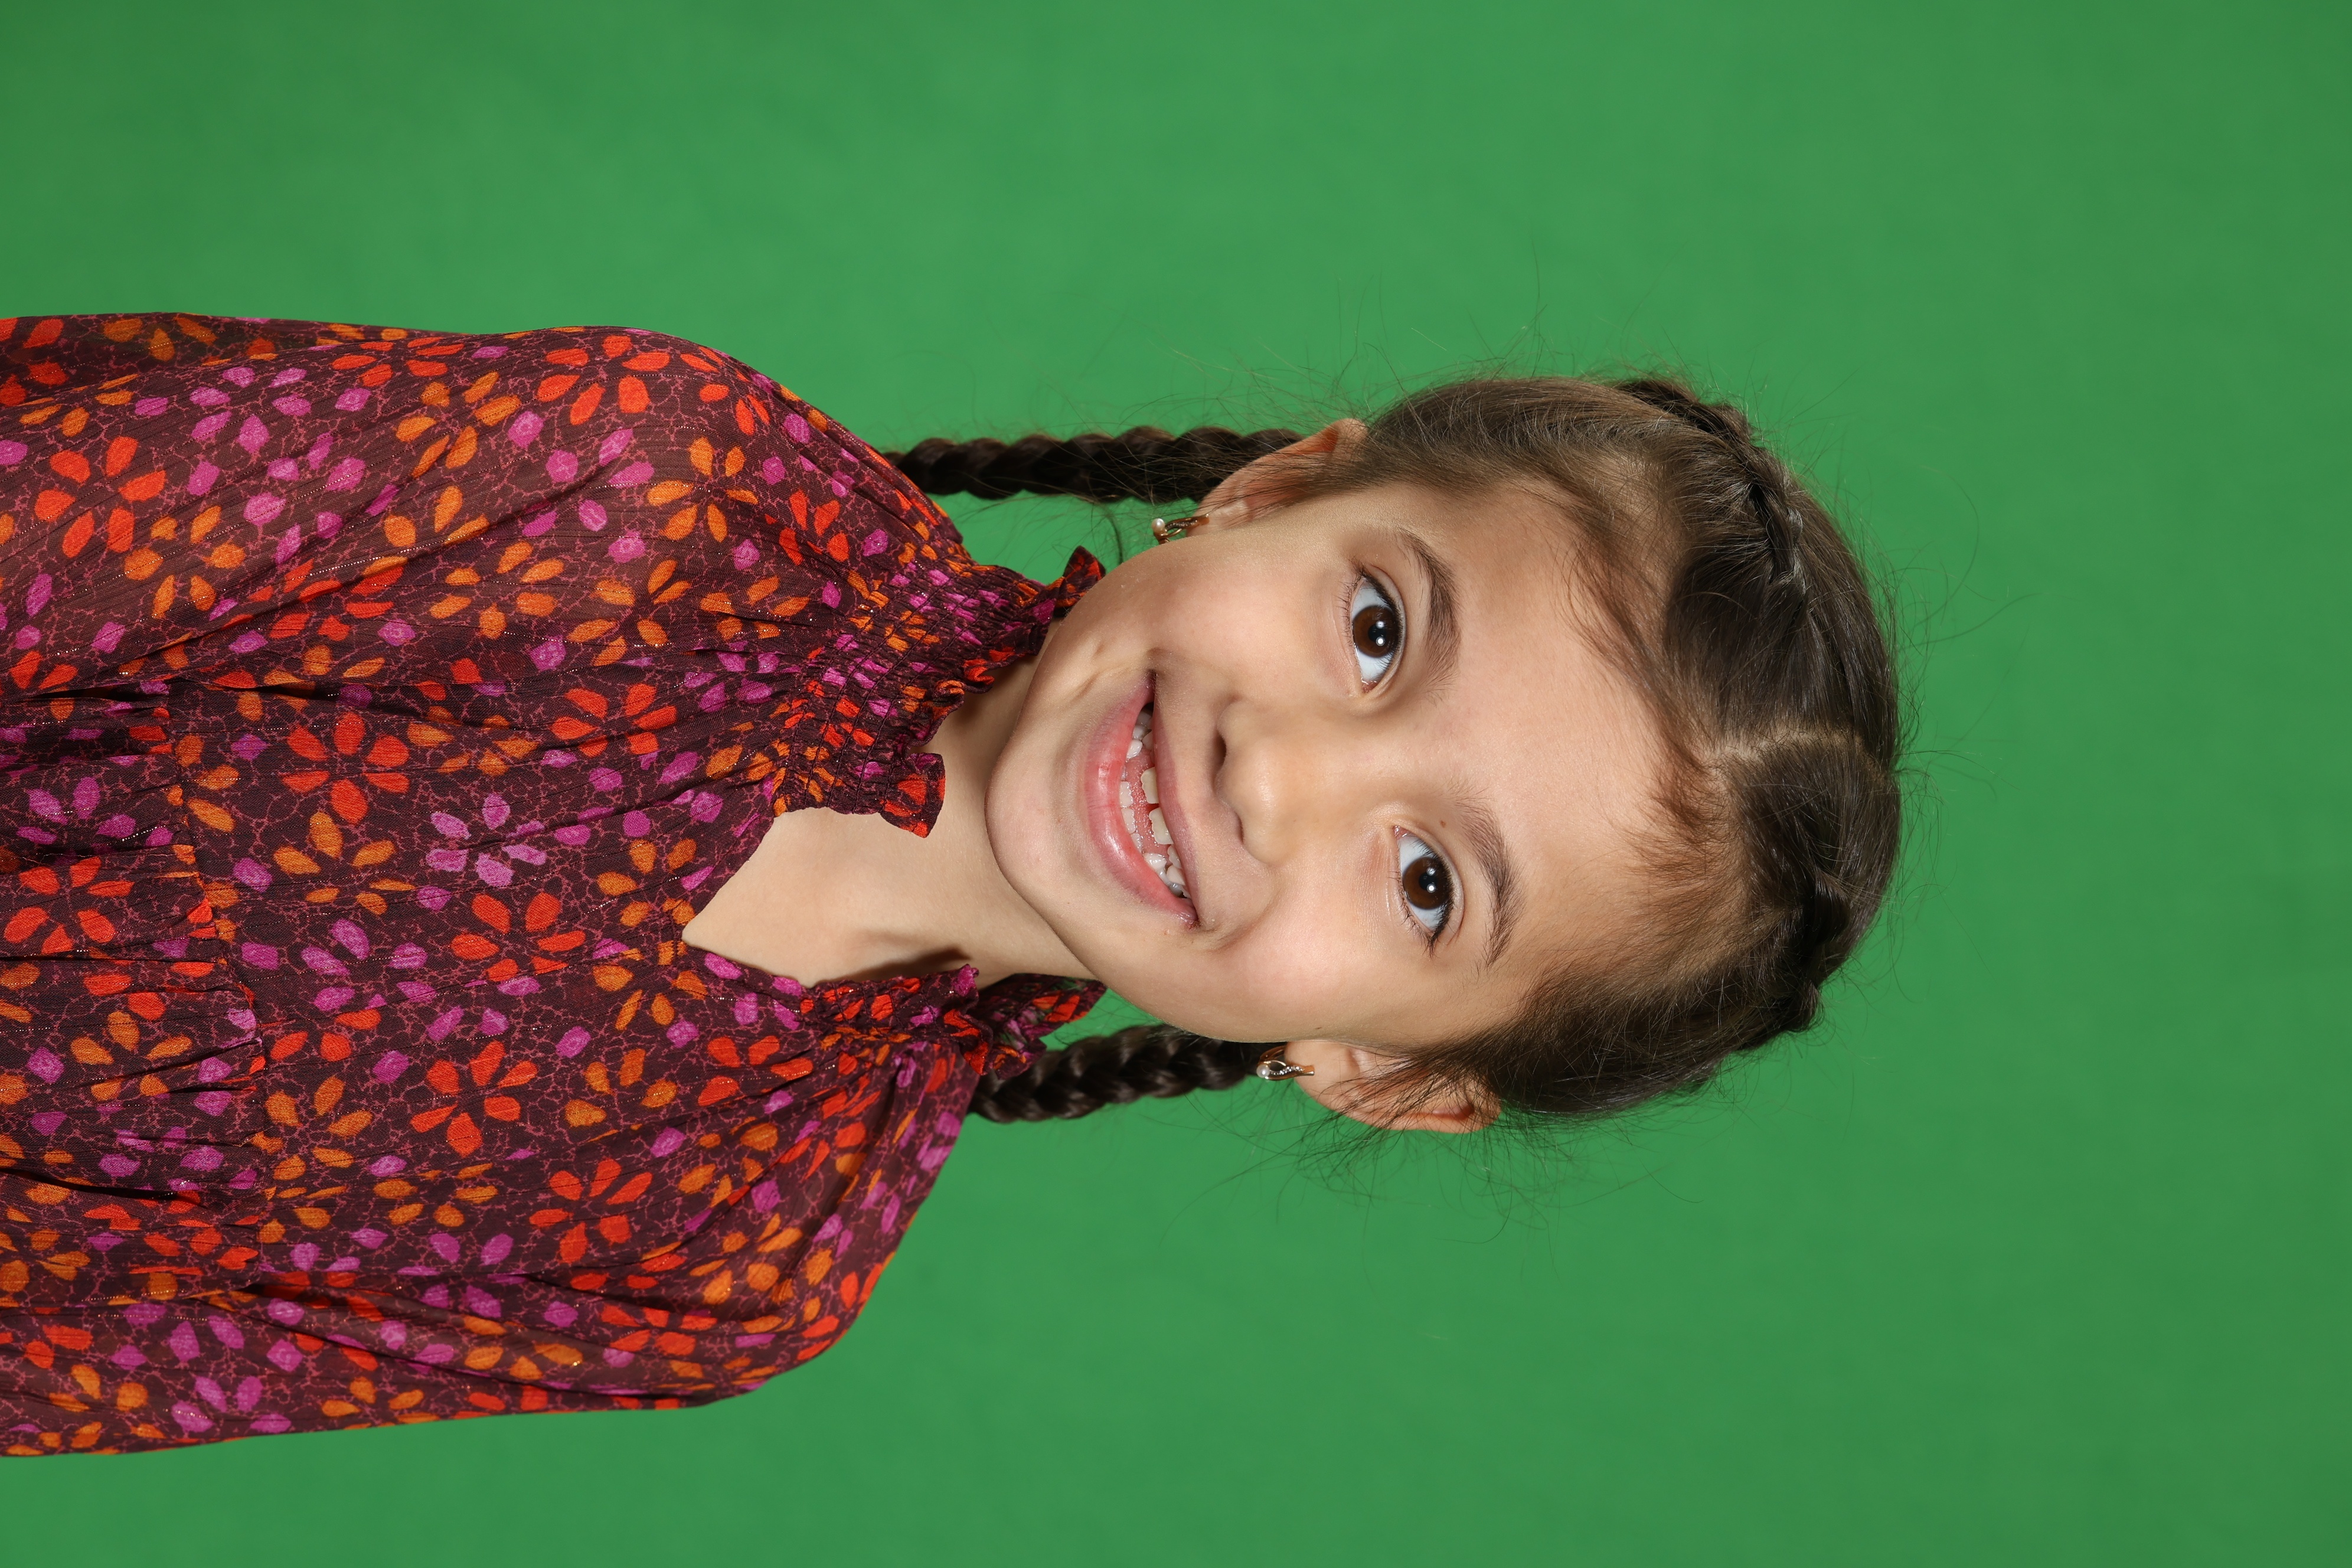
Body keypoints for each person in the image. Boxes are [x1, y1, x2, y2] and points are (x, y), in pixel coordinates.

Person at [0, 313, 1899, 1455]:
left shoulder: (746, 1257)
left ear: (1388, 1072)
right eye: (1380, 629)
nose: (1279, 771)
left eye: (1425, 885)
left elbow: (103, 1354)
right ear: (1274, 490)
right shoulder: (652, 505)